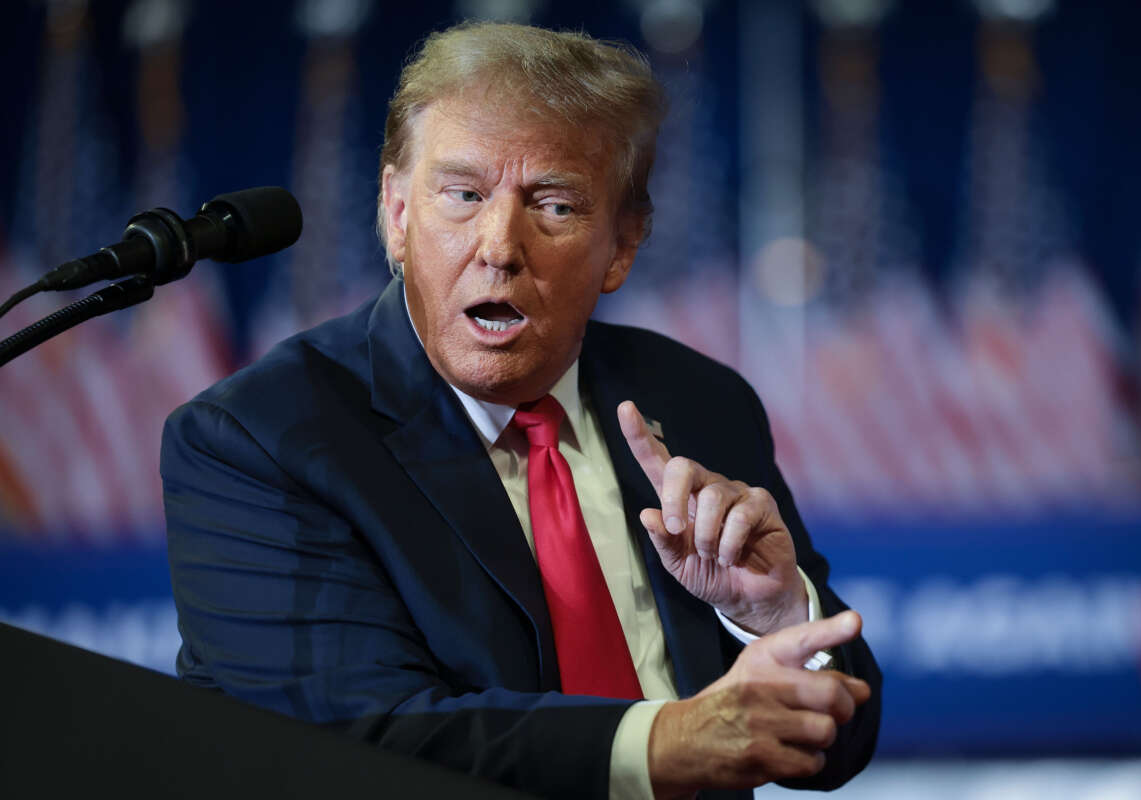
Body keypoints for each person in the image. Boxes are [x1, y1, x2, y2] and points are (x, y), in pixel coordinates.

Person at [161, 21, 881, 800]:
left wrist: (775, 615)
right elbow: (356, 745)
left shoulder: (698, 400)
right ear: (398, 215)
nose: (499, 245)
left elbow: (837, 747)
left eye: (556, 206)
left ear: (623, 246)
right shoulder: (263, 440)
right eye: (463, 195)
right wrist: (670, 741)